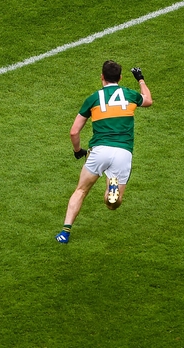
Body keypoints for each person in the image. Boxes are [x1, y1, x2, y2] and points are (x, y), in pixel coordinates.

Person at [55, 60, 152, 244]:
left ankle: (65, 232)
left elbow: (74, 131)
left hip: (99, 151)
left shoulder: (93, 98)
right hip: (123, 152)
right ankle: (111, 190)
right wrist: (140, 80)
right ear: (121, 78)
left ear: (102, 77)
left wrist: (78, 151)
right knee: (112, 204)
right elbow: (148, 100)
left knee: (81, 190)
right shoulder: (129, 94)